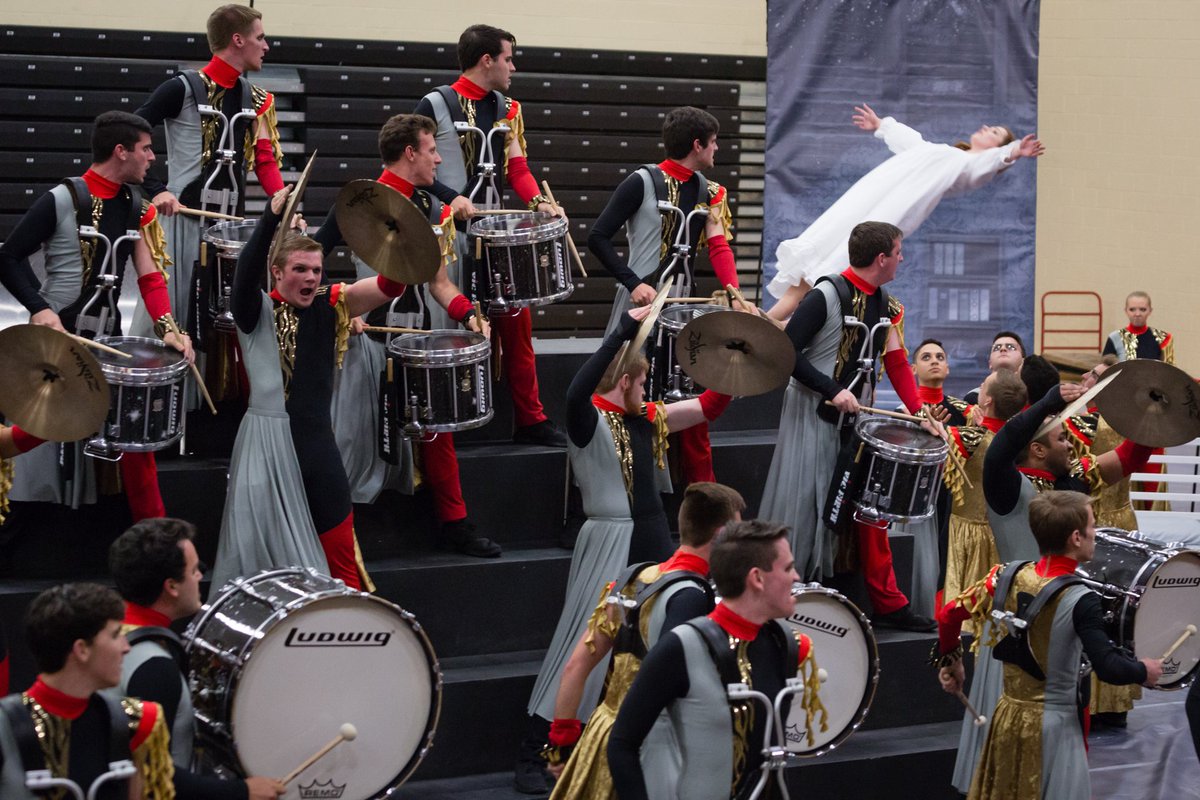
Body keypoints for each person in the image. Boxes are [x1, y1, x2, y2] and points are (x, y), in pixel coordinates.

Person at [515, 305, 732, 793]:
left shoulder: (647, 419)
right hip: (610, 537)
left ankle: (620, 739)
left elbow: (709, 406)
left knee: (647, 644)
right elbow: (574, 391)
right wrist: (622, 333)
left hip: (652, 537)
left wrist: (737, 357)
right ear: (628, 379)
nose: (648, 388)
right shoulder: (588, 420)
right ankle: (540, 747)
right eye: (643, 380)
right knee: (583, 641)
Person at [950, 381, 1154, 793]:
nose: (1072, 445)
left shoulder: (1072, 484)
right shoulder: (1005, 485)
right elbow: (1006, 442)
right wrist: (1048, 401)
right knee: (1006, 725)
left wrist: (1155, 415)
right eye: (1063, 438)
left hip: (1062, 623)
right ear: (1039, 449)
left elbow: (1128, 457)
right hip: (1016, 618)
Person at [314, 113, 500, 558]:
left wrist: (468, 312)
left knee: (440, 437)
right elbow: (309, 266)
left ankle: (456, 525)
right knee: (352, 442)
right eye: (432, 149)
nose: (439, 158)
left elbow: (438, 282)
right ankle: (337, 535)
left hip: (418, 340)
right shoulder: (357, 202)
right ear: (410, 152)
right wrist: (341, 308)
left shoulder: (425, 206)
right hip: (371, 339)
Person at [209, 184, 407, 592]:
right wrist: (267, 218)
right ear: (277, 272)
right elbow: (245, 274)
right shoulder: (254, 310)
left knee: (341, 555)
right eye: (300, 269)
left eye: (316, 270)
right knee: (259, 559)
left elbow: (389, 288)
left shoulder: (330, 304)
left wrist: (402, 245)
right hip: (266, 445)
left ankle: (350, 636)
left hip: (317, 445)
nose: (310, 277)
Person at [0, 110, 193, 522]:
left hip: (108, 337)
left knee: (135, 438)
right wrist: (40, 309)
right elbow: (8, 258)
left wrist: (171, 330)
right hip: (59, 338)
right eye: (146, 149)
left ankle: (158, 538)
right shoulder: (61, 199)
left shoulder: (137, 206)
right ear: (121, 152)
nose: (152, 158)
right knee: (43, 424)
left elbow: (150, 278)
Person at [758, 221, 933, 631]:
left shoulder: (888, 306)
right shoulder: (824, 296)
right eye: (898, 251)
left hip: (854, 419)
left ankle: (887, 604)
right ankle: (790, 599)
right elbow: (786, 352)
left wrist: (919, 411)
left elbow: (896, 362)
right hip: (813, 412)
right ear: (881, 259)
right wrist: (831, 389)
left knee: (866, 509)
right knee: (808, 499)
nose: (902, 258)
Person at [934, 491, 1161, 800]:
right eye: (1093, 526)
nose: (1098, 533)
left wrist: (951, 660)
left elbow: (948, 615)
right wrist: (1143, 670)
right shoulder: (1083, 600)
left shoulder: (1002, 577)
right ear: (1076, 538)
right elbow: (1108, 666)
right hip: (1055, 730)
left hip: (1007, 716)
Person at [413, 23, 566, 448]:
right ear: (487, 61)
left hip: (495, 237)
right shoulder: (434, 103)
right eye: (508, 58)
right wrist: (450, 198)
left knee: (518, 331)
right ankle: (450, 418)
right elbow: (415, 167)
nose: (512, 67)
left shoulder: (508, 108)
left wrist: (539, 203)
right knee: (452, 325)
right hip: (450, 236)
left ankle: (531, 419)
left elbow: (516, 168)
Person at [543, 482, 745, 799]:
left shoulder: (633, 579)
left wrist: (561, 742)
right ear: (720, 535)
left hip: (602, 735)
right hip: (649, 748)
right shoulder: (691, 597)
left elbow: (574, 667)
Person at [607, 520, 824, 800]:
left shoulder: (783, 644)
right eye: (787, 568)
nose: (796, 577)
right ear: (757, 578)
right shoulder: (680, 648)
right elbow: (622, 745)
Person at [768, 103, 1044, 319]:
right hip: (866, 200)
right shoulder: (941, 152)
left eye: (994, 133)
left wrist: (1015, 150)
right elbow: (912, 142)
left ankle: (790, 323)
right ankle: (771, 318)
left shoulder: (966, 168)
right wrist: (882, 125)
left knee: (836, 263)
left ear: (996, 148)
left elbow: (989, 163)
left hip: (886, 213)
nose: (986, 128)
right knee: (819, 254)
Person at [587, 106, 736, 485]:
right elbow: (597, 237)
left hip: (685, 311)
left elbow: (718, 246)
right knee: (623, 395)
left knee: (688, 401)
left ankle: (697, 497)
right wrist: (632, 281)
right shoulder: (641, 181)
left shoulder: (712, 192)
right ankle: (619, 485)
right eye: (714, 143)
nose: (717, 150)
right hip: (640, 305)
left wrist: (733, 289)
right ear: (698, 144)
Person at [134, 3, 284, 349]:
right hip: (180, 221)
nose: (266, 46)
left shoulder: (259, 99)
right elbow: (130, 133)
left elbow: (264, 161)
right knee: (169, 314)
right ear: (237, 40)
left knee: (220, 322)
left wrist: (283, 204)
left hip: (230, 228)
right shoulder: (181, 88)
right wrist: (156, 189)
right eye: (260, 38)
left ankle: (209, 403)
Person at [109, 518, 285, 800]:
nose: (200, 577)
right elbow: (148, 774)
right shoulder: (153, 665)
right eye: (193, 571)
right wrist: (242, 791)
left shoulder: (107, 631)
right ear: (172, 586)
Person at [0, 583, 174, 799]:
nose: (126, 646)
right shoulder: (4, 727)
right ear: (81, 649)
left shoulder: (139, 722)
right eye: (115, 635)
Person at [941, 368, 1026, 612]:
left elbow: (939, 435)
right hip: (1000, 532)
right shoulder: (1014, 440)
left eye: (984, 383)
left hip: (968, 532)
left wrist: (930, 422)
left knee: (964, 595)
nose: (980, 383)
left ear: (987, 400)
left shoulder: (970, 438)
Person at [1104, 290, 1173, 363]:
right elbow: (1105, 370)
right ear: (1126, 311)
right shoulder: (1115, 337)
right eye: (1132, 309)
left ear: (1150, 311)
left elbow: (1170, 371)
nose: (1137, 314)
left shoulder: (1164, 339)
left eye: (1142, 309)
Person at [911, 338, 969, 425]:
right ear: (914, 369)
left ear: (947, 369)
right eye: (926, 357)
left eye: (940, 357)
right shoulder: (905, 411)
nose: (935, 361)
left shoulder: (965, 411)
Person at [963, 331, 1026, 405]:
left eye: (1010, 347)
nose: (1002, 349)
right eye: (996, 348)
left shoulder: (1031, 398)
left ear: (1023, 360)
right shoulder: (973, 398)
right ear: (990, 363)